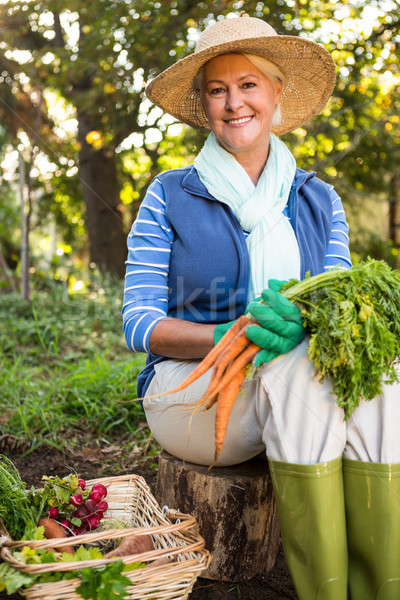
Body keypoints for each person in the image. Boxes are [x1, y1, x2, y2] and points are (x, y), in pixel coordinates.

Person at [122, 14, 400, 600]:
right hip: (191, 390)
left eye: (248, 85)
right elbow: (139, 322)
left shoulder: (319, 199)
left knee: (381, 375)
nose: (234, 102)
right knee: (300, 369)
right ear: (203, 104)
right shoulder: (169, 194)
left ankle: (378, 589)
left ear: (277, 94)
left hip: (299, 392)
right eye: (217, 89)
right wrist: (235, 332)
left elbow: (342, 315)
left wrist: (309, 325)